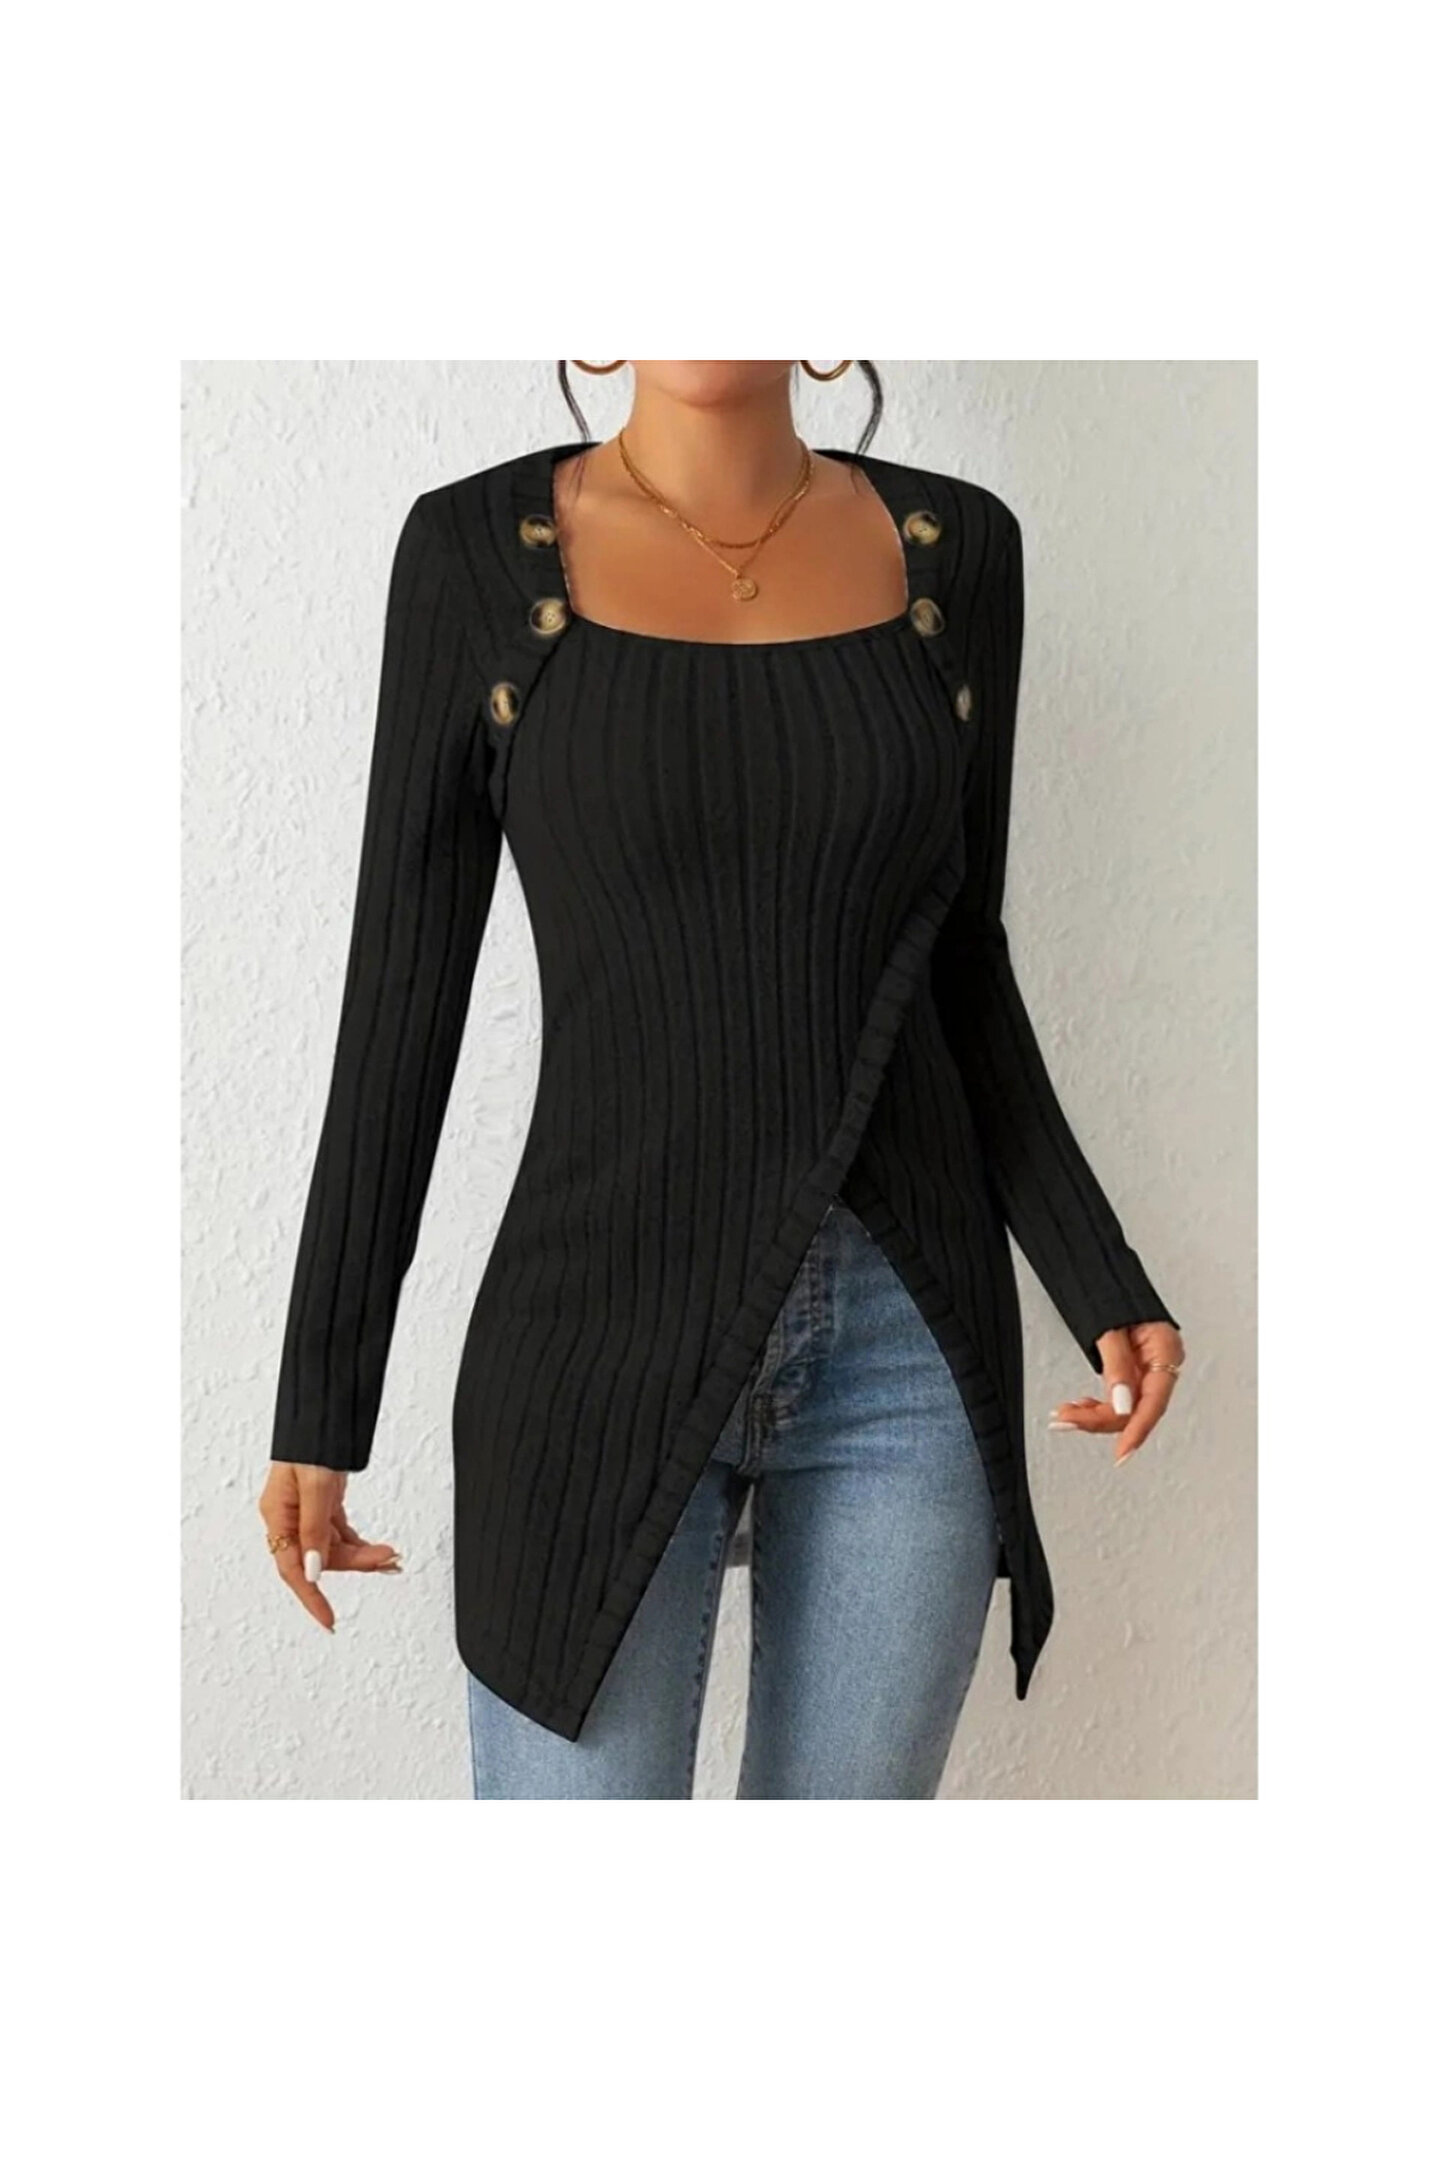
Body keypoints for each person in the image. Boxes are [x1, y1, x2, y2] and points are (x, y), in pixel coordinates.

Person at [259, 360, 1186, 1800]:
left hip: (908, 1341)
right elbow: (399, 1001)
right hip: (590, 1335)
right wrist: (322, 1401)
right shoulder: (471, 555)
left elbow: (961, 958)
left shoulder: (959, 555)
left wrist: (1097, 1272)